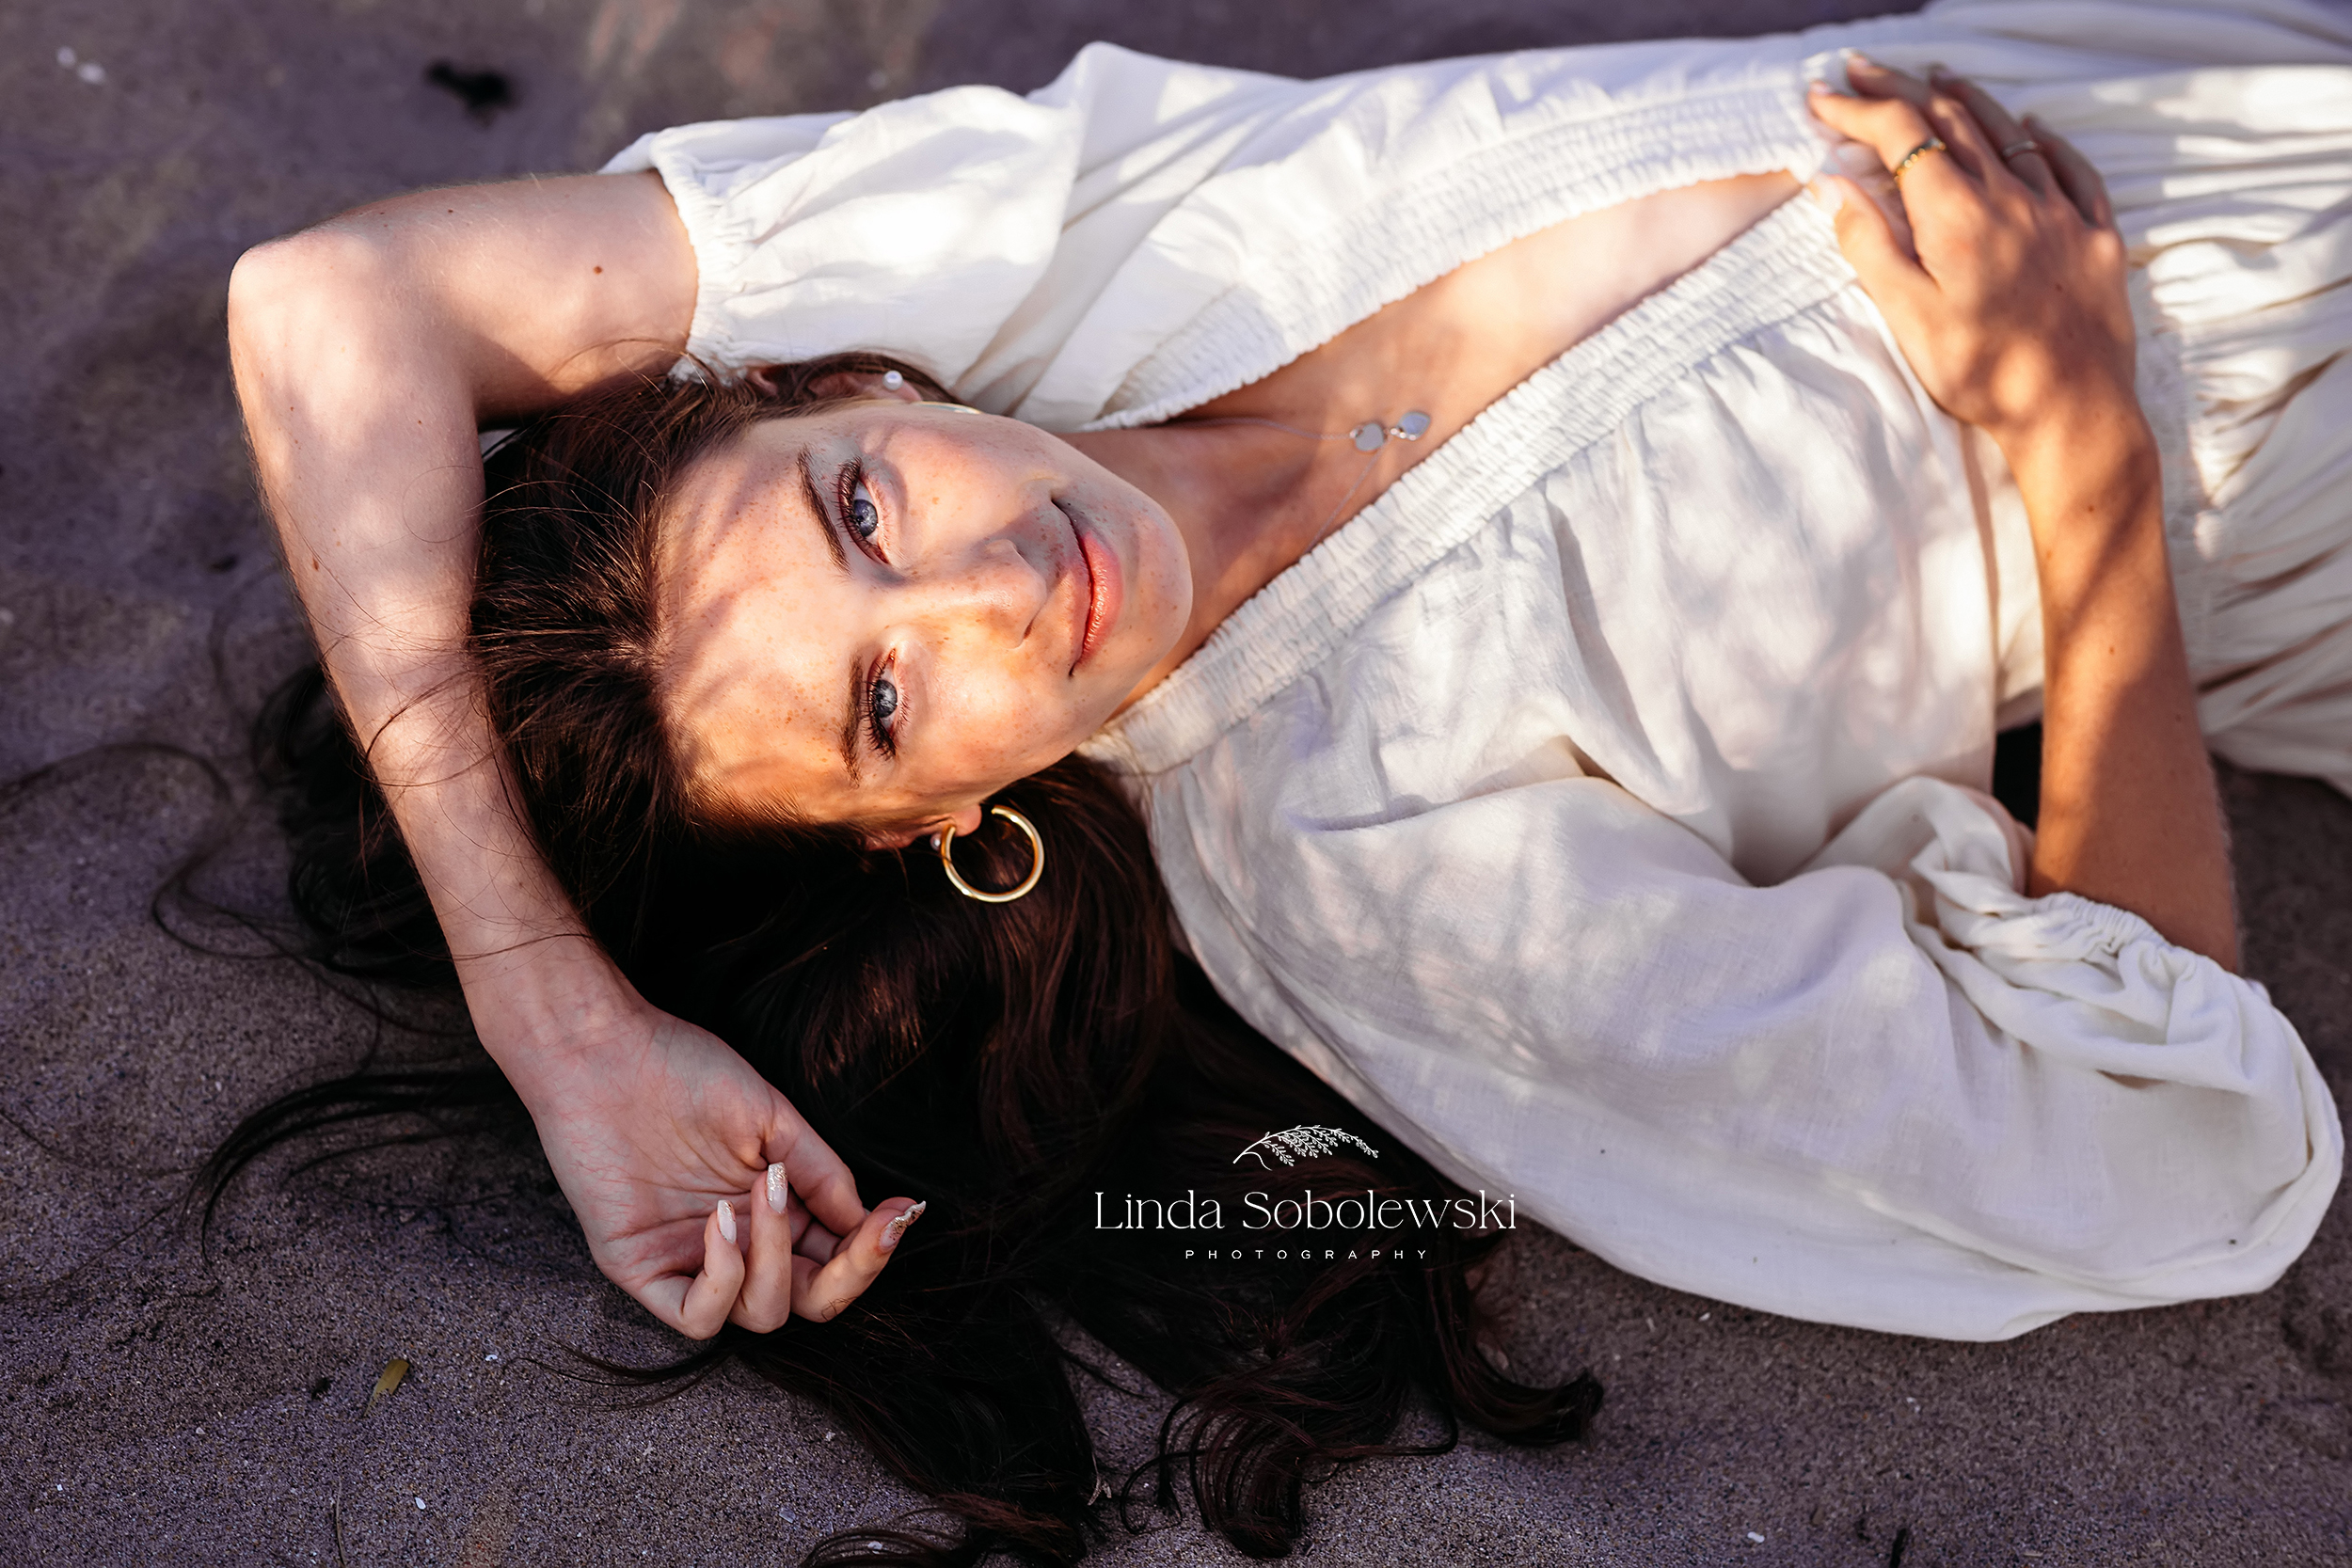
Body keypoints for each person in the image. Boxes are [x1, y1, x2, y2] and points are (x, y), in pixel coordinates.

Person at [221, 0, 2350, 1553]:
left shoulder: (1064, 248)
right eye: (882, 707)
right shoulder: (1367, 867)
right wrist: (2080, 446)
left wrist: (540, 993)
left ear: (839, 381)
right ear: (922, 831)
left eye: (859, 508)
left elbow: (331, 296)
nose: (984, 585)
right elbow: (2160, 1153)